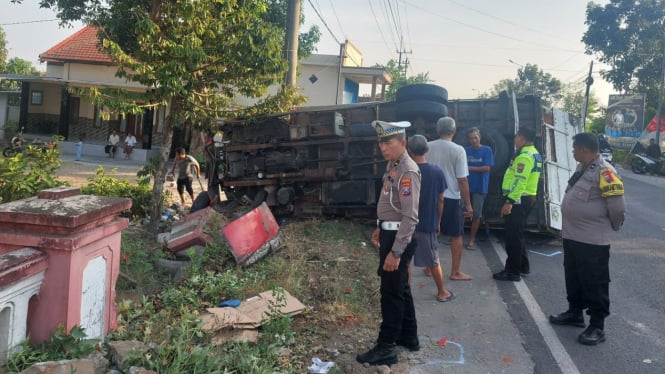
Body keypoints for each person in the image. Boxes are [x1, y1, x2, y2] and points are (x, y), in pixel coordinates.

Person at [549, 132, 625, 346]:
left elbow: (618, 208)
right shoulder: (583, 167)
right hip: (573, 236)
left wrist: (609, 227)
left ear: (584, 149)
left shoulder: (606, 172)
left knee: (594, 282)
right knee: (573, 277)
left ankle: (597, 326)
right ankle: (575, 313)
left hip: (593, 241)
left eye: (574, 148)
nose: (572, 151)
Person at [356, 120, 421, 366]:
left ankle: (386, 347)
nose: (383, 147)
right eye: (381, 142)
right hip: (389, 232)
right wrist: (380, 226)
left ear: (403, 143)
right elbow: (391, 204)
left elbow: (410, 216)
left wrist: (395, 251)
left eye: (388, 142)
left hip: (398, 238)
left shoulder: (407, 170)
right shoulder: (393, 165)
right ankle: (408, 336)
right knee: (401, 287)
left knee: (390, 293)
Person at [407, 134, 454, 303]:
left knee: (406, 260)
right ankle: (442, 291)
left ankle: (406, 294)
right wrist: (438, 221)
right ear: (427, 149)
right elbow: (440, 200)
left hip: (406, 223)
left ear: (409, 150)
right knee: (433, 260)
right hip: (426, 223)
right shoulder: (436, 172)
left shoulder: (405, 171)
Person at [493, 126, 542, 282]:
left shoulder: (524, 157)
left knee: (513, 237)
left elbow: (520, 182)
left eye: (516, 137)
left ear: (522, 137)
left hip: (519, 199)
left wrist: (509, 202)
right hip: (526, 198)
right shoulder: (534, 153)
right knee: (518, 234)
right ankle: (522, 266)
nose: (515, 140)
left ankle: (512, 272)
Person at [427, 117, 473, 281]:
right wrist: (468, 204)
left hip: (430, 197)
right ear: (454, 131)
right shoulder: (458, 150)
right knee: (456, 235)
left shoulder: (428, 147)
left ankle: (428, 267)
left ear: (438, 130)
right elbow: (462, 180)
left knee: (430, 232)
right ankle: (455, 272)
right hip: (451, 197)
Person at [464, 128, 494, 249]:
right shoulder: (465, 150)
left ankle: (471, 240)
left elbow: (487, 168)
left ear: (479, 137)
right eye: (471, 138)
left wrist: (468, 168)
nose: (473, 140)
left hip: (480, 187)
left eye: (475, 138)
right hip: (466, 185)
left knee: (476, 215)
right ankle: (457, 237)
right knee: (461, 212)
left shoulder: (487, 150)